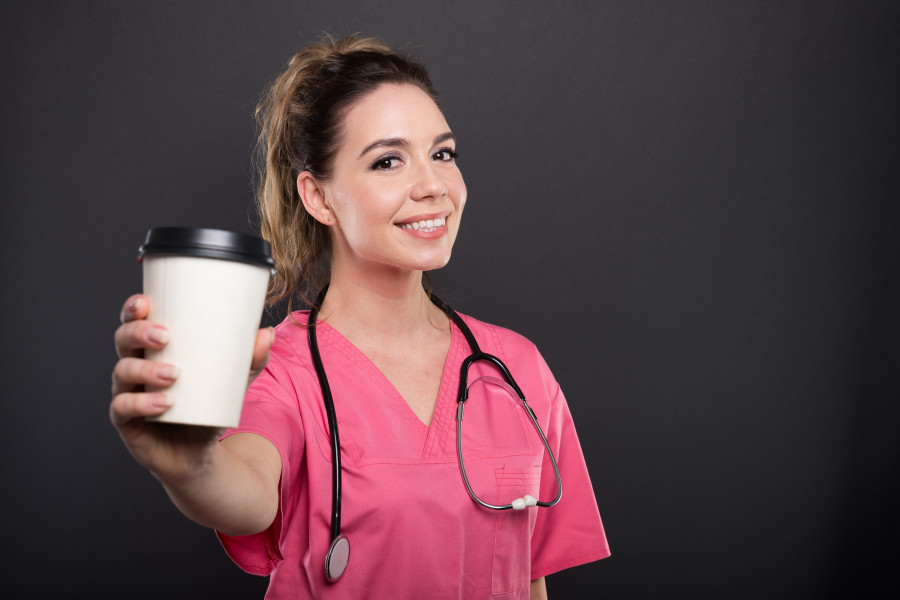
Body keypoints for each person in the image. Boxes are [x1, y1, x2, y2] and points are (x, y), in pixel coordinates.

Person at [111, 35, 609, 599]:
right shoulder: (277, 370)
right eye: (388, 161)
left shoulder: (516, 368)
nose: (433, 186)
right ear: (318, 197)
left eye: (442, 154)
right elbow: (246, 492)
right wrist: (190, 466)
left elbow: (529, 578)